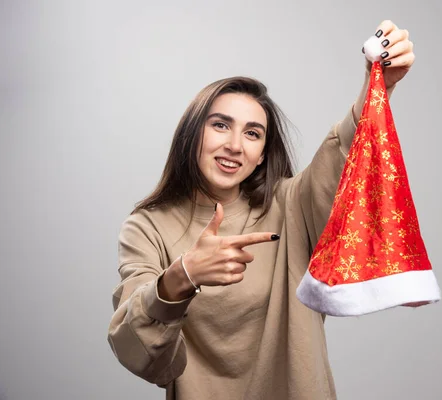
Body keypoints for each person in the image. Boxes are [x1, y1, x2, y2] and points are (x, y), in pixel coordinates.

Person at [107, 19, 415, 400]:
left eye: (252, 134)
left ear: (260, 156)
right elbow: (137, 351)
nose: (235, 145)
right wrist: (180, 277)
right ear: (191, 134)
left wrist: (377, 86)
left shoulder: (290, 205)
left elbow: (339, 157)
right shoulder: (146, 227)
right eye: (221, 125)